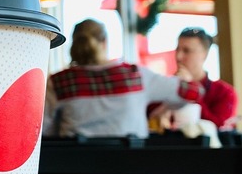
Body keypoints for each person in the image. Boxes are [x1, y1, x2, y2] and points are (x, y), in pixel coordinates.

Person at [44, 19, 205, 138]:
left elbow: (43, 129)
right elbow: (194, 92)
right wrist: (167, 106)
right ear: (105, 42)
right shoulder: (135, 76)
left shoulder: (58, 82)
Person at [173, 27, 238, 129]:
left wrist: (190, 88)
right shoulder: (167, 86)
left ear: (205, 54)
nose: (178, 56)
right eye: (177, 49)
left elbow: (218, 127)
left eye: (186, 50)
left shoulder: (224, 92)